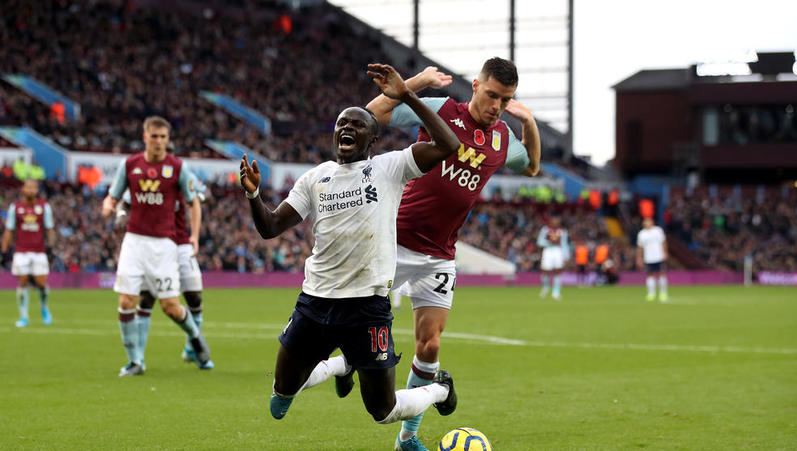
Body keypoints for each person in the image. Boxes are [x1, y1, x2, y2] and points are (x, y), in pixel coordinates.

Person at [239, 64, 460, 428]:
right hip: (315, 303)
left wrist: (406, 94)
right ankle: (344, 362)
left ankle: (439, 389)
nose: (347, 128)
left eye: (357, 124)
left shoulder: (390, 168)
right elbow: (271, 226)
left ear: (372, 139)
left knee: (382, 410)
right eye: (342, 123)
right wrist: (254, 195)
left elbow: (448, 145)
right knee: (280, 395)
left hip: (367, 307)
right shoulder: (315, 178)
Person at [361, 57, 541, 451]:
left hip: (440, 255)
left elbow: (530, 167)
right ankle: (341, 366)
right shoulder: (442, 110)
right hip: (394, 241)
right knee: (362, 331)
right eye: (492, 95)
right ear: (475, 85)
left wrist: (528, 122)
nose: (496, 106)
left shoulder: (502, 139)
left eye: (505, 99)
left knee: (431, 346)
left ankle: (406, 438)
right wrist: (417, 83)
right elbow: (372, 114)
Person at [101, 116, 210, 376]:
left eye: (163, 137)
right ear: (145, 137)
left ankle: (195, 336)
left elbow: (194, 202)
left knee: (171, 307)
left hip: (164, 245)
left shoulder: (177, 168)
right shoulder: (129, 165)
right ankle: (135, 361)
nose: (159, 141)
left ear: (167, 139)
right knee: (127, 301)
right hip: (134, 242)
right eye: (154, 136)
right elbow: (113, 195)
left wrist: (194, 236)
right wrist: (108, 205)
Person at [114, 171, 212, 370]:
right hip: (153, 247)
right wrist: (121, 214)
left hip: (182, 245)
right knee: (147, 300)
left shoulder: (183, 175)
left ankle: (192, 349)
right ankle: (137, 360)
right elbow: (124, 201)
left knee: (194, 298)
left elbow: (205, 194)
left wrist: (197, 198)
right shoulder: (146, 179)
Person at [2, 179, 55, 327]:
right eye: (28, 187)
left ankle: (44, 307)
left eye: (34, 188)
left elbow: (50, 229)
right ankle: (24, 316)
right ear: (23, 190)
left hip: (39, 251)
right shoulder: (16, 208)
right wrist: (4, 249)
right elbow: (9, 229)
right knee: (22, 281)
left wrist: (51, 248)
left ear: (37, 190)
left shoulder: (44, 207)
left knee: (41, 283)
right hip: (21, 251)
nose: (31, 190)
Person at [636, 217, 668, 301]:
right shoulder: (641, 234)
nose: (647, 223)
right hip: (648, 258)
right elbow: (640, 247)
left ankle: (663, 293)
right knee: (650, 275)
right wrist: (639, 257)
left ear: (652, 222)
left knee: (661, 274)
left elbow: (663, 242)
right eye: (645, 221)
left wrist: (665, 252)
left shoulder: (658, 231)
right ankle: (651, 294)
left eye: (648, 221)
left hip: (658, 256)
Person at [537, 216, 569, 300]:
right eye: (554, 221)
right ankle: (545, 288)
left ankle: (556, 292)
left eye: (557, 221)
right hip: (548, 251)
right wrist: (549, 242)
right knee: (546, 271)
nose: (555, 223)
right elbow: (540, 242)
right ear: (550, 222)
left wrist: (566, 256)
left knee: (557, 271)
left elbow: (564, 244)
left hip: (558, 251)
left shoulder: (562, 231)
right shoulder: (545, 230)